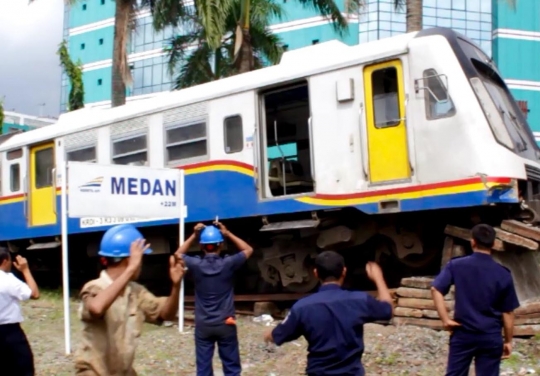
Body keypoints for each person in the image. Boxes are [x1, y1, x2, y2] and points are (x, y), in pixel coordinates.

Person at [74, 224, 185, 376]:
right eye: (140, 259)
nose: (141, 265)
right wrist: (131, 269)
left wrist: (176, 286)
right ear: (130, 260)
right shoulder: (95, 287)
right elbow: (96, 308)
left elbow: (166, 315)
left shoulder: (135, 291)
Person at [263, 250, 394, 376]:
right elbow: (387, 310)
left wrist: (268, 334)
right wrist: (378, 278)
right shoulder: (359, 300)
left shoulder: (302, 307)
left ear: (315, 273)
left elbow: (278, 335)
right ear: (344, 271)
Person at [431, 223, 520, 376]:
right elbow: (508, 313)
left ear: (472, 242)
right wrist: (508, 341)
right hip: (490, 336)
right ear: (493, 244)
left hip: (463, 333)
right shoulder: (503, 274)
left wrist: (445, 319)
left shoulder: (456, 265)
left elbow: (436, 289)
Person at [175, 221, 253, 376]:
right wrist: (228, 233)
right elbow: (248, 249)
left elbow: (178, 254)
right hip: (226, 323)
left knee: (203, 369)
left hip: (203, 324)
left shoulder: (195, 264)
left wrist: (193, 236)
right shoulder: (228, 263)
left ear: (202, 247)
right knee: (231, 367)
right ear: (221, 245)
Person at [0, 247, 40, 376]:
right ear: (5, 261)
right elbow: (34, 293)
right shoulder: (7, 279)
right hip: (9, 333)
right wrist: (25, 270)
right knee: (22, 368)